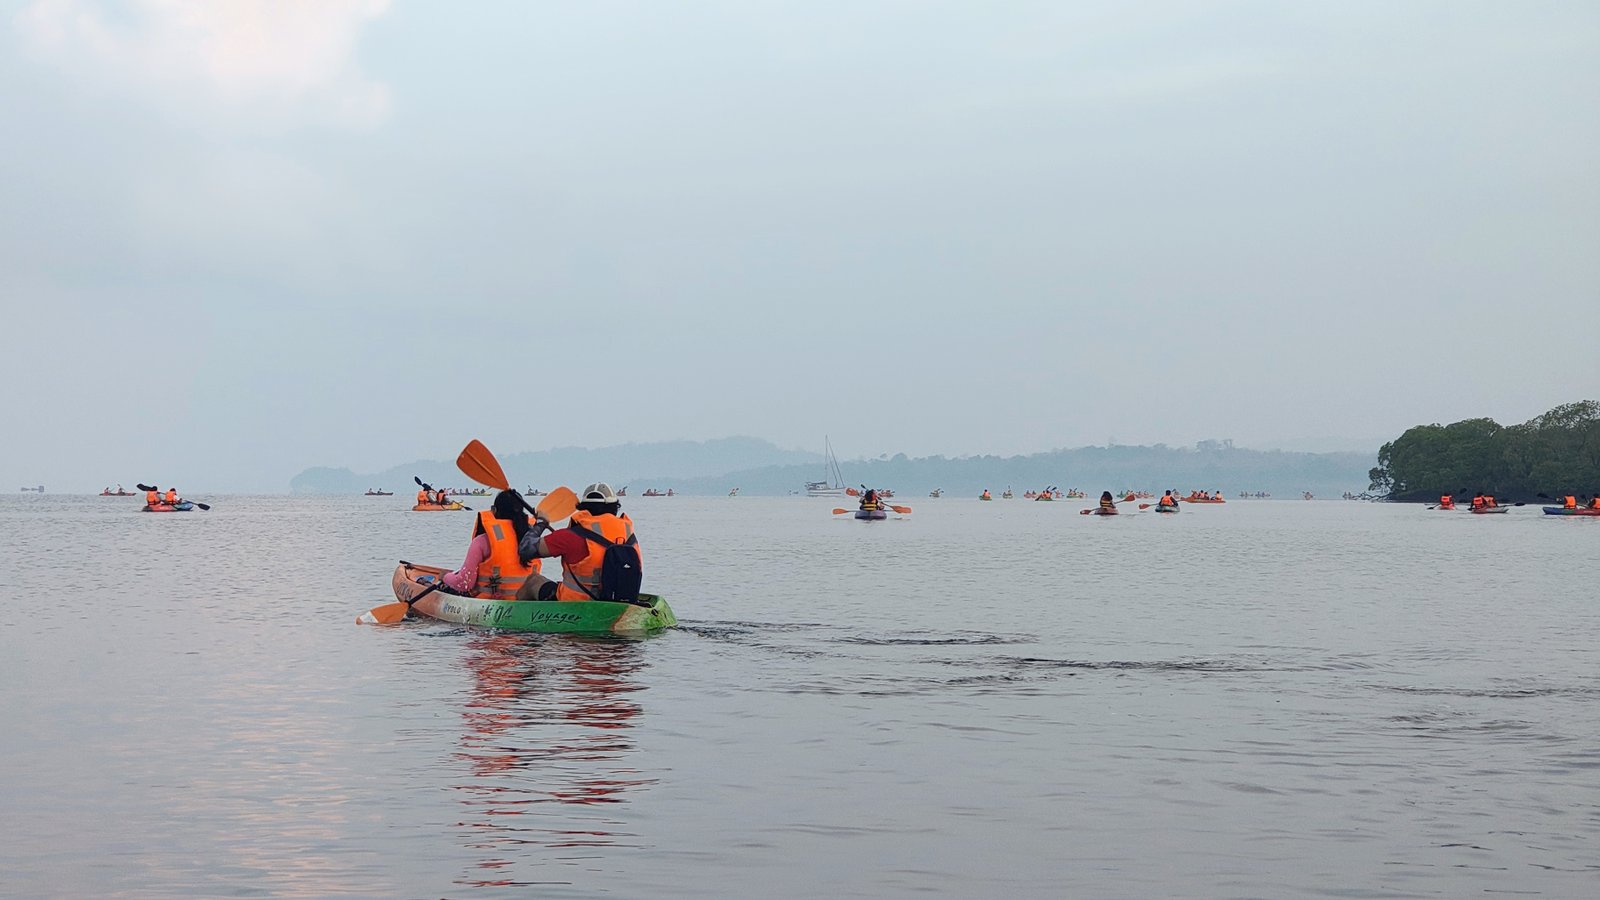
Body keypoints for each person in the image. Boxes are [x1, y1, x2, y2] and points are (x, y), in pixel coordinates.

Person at [515, 482, 642, 602]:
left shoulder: (569, 536)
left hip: (575, 604)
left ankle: (514, 620)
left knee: (533, 580)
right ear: (615, 508)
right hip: (616, 600)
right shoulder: (629, 535)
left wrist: (540, 524)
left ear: (583, 508)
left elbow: (525, 550)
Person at [440, 490, 541, 599]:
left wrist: (445, 577)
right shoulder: (534, 540)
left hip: (490, 604)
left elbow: (464, 583)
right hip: (525, 603)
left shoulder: (482, 541)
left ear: (494, 511)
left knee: (441, 586)